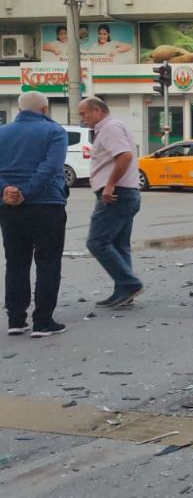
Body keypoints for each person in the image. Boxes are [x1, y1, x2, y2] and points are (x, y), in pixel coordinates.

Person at [0, 91, 68, 337]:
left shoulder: (2, 132)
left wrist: (7, 190)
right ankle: (43, 321)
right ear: (45, 110)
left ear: (19, 109)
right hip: (47, 205)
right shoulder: (54, 132)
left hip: (10, 209)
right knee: (48, 262)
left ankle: (16, 320)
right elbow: (51, 167)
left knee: (16, 263)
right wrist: (26, 192)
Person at [79, 98, 145, 308]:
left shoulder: (109, 128)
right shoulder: (114, 126)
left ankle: (130, 284)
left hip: (117, 194)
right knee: (118, 244)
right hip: (126, 193)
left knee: (96, 242)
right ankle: (123, 292)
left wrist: (109, 185)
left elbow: (124, 156)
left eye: (84, 114)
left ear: (97, 110)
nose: (83, 119)